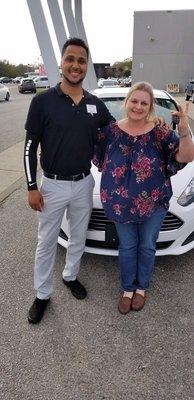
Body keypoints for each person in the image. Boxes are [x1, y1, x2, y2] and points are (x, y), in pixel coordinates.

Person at [24, 37, 114, 324]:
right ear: (61, 63)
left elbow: (118, 129)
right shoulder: (42, 102)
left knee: (78, 236)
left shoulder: (95, 104)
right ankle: (42, 295)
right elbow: (29, 146)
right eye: (70, 59)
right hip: (52, 185)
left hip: (84, 183)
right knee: (47, 241)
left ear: (87, 66)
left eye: (81, 60)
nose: (76, 65)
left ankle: (70, 275)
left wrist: (152, 122)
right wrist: (31, 187)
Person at [93, 81, 194, 315]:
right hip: (119, 205)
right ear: (126, 102)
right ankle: (128, 289)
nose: (138, 106)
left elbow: (186, 156)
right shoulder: (109, 133)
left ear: (150, 108)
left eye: (144, 103)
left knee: (147, 247)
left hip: (154, 204)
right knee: (127, 246)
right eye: (134, 101)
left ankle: (142, 288)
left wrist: (184, 128)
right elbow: (88, 149)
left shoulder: (160, 132)